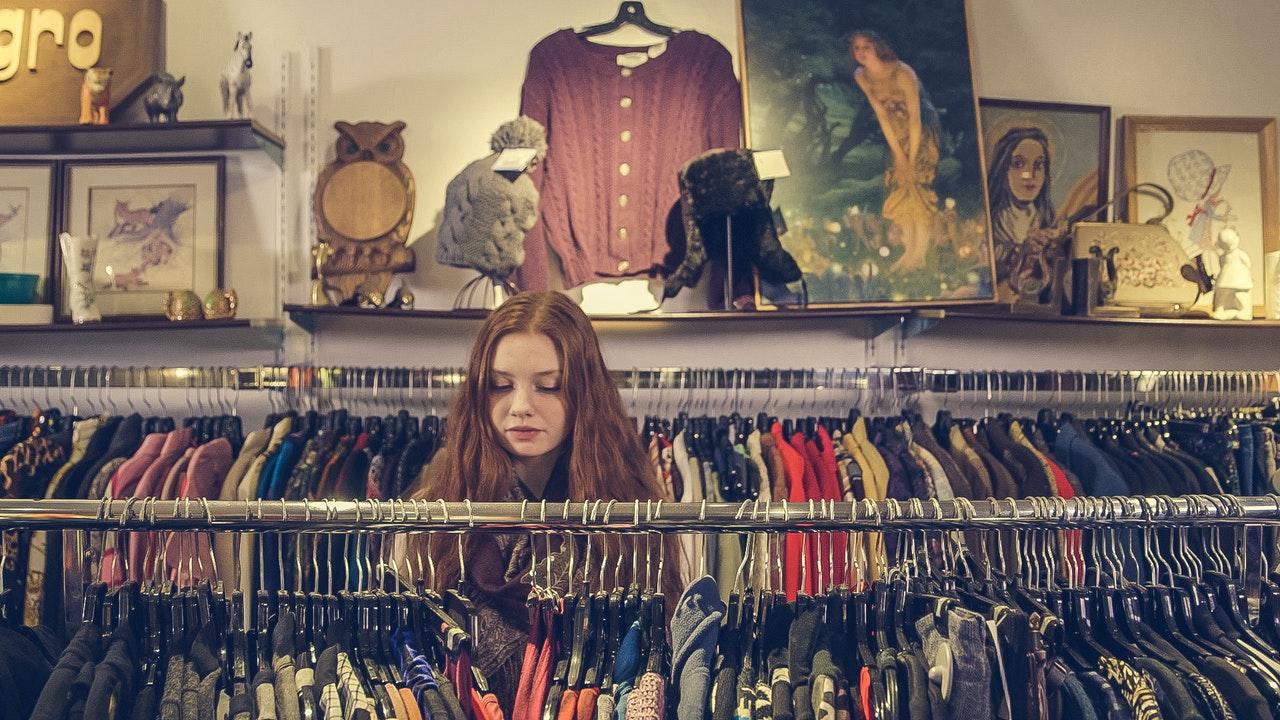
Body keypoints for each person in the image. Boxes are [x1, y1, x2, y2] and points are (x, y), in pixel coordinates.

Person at [409, 290, 681, 714]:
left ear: (582, 393)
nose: (521, 407)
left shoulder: (631, 517)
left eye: (547, 386)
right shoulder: (438, 515)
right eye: (501, 386)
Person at [848, 29, 941, 273]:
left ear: (877, 47)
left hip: (920, 134)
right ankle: (909, 251)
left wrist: (911, 159)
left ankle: (920, 254)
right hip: (896, 136)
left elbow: (915, 120)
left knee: (917, 189)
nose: (861, 53)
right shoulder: (862, 76)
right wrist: (899, 156)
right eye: (856, 48)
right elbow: (882, 115)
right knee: (901, 190)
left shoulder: (902, 73)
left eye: (866, 47)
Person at [985, 126, 1067, 301]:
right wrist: (1021, 251)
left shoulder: (1049, 221)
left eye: (1039, 165)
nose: (1030, 175)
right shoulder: (988, 223)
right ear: (1003, 169)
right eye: (1018, 164)